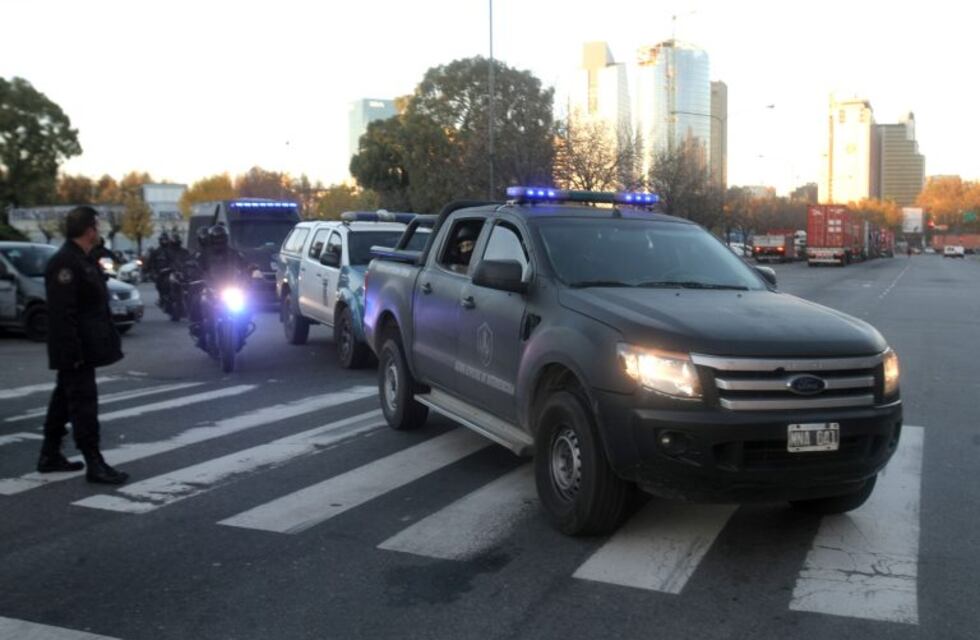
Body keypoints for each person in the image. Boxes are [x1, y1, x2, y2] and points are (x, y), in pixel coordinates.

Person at [37, 206, 128, 485]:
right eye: (96, 226)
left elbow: (102, 284)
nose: (99, 230)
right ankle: (94, 462)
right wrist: (72, 352)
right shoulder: (65, 263)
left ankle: (49, 454)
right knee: (84, 404)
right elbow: (63, 314)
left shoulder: (84, 258)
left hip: (85, 346)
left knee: (64, 399)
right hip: (76, 349)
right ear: (89, 229)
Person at [188, 225, 248, 348]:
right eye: (216, 238)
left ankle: (243, 328)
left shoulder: (234, 253)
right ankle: (198, 327)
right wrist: (193, 273)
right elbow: (194, 266)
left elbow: (245, 265)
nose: (219, 240)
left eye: (221, 237)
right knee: (196, 299)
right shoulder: (203, 254)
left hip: (230, 287)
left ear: (226, 238)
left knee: (247, 304)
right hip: (211, 287)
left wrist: (252, 271)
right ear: (211, 239)